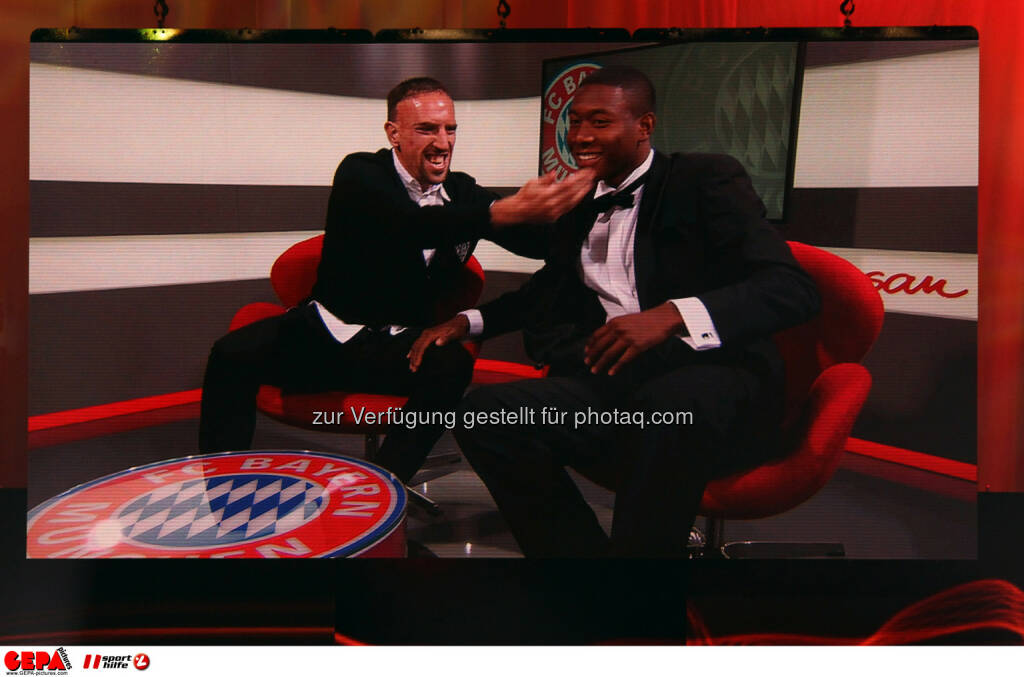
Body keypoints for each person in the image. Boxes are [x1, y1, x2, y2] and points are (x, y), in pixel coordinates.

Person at [409, 66, 820, 557]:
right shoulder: (578, 202)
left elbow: (791, 289)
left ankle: (636, 597)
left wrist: (672, 315)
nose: (581, 136)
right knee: (486, 414)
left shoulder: (705, 179)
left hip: (713, 376)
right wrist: (467, 322)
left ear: (643, 126)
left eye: (600, 121)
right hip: (617, 383)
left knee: (668, 408)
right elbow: (547, 290)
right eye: (575, 121)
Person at [198, 76, 594, 485]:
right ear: (395, 134)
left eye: (450, 128)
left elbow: (538, 243)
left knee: (453, 363)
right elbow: (407, 224)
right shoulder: (360, 174)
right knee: (231, 354)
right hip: (322, 337)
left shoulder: (464, 195)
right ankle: (220, 487)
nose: (443, 143)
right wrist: (500, 212)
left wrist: (577, 212)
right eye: (427, 129)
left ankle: (384, 486)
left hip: (398, 349)